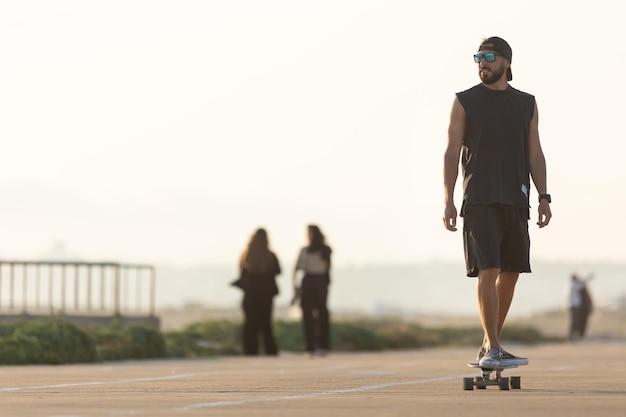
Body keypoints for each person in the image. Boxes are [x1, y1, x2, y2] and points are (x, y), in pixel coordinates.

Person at [443, 36, 552, 368]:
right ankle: (492, 346)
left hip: (517, 199)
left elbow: (534, 153)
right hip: (479, 198)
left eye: (488, 56)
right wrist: (448, 199)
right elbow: (450, 152)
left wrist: (544, 196)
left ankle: (490, 344)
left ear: (506, 62)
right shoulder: (465, 101)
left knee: (512, 271)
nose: (482, 63)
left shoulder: (526, 103)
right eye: (478, 57)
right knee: (487, 268)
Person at [238, 228, 281, 356]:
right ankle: (269, 349)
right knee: (266, 322)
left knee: (251, 322)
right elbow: (278, 271)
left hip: (251, 291)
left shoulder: (246, 254)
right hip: (266, 292)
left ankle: (251, 349)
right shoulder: (270, 255)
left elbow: (242, 272)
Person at [292, 224, 332, 357]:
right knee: (308, 316)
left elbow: (328, 268)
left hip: (319, 281)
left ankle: (322, 345)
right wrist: (296, 286)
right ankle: (310, 346)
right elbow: (297, 268)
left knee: (322, 315)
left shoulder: (325, 250)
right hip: (309, 281)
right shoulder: (305, 250)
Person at [568, 274, 594, 341]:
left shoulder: (571, 285)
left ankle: (574, 336)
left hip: (575, 306)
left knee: (576, 322)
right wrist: (587, 278)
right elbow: (582, 284)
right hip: (575, 306)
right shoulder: (573, 285)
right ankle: (573, 336)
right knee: (575, 322)